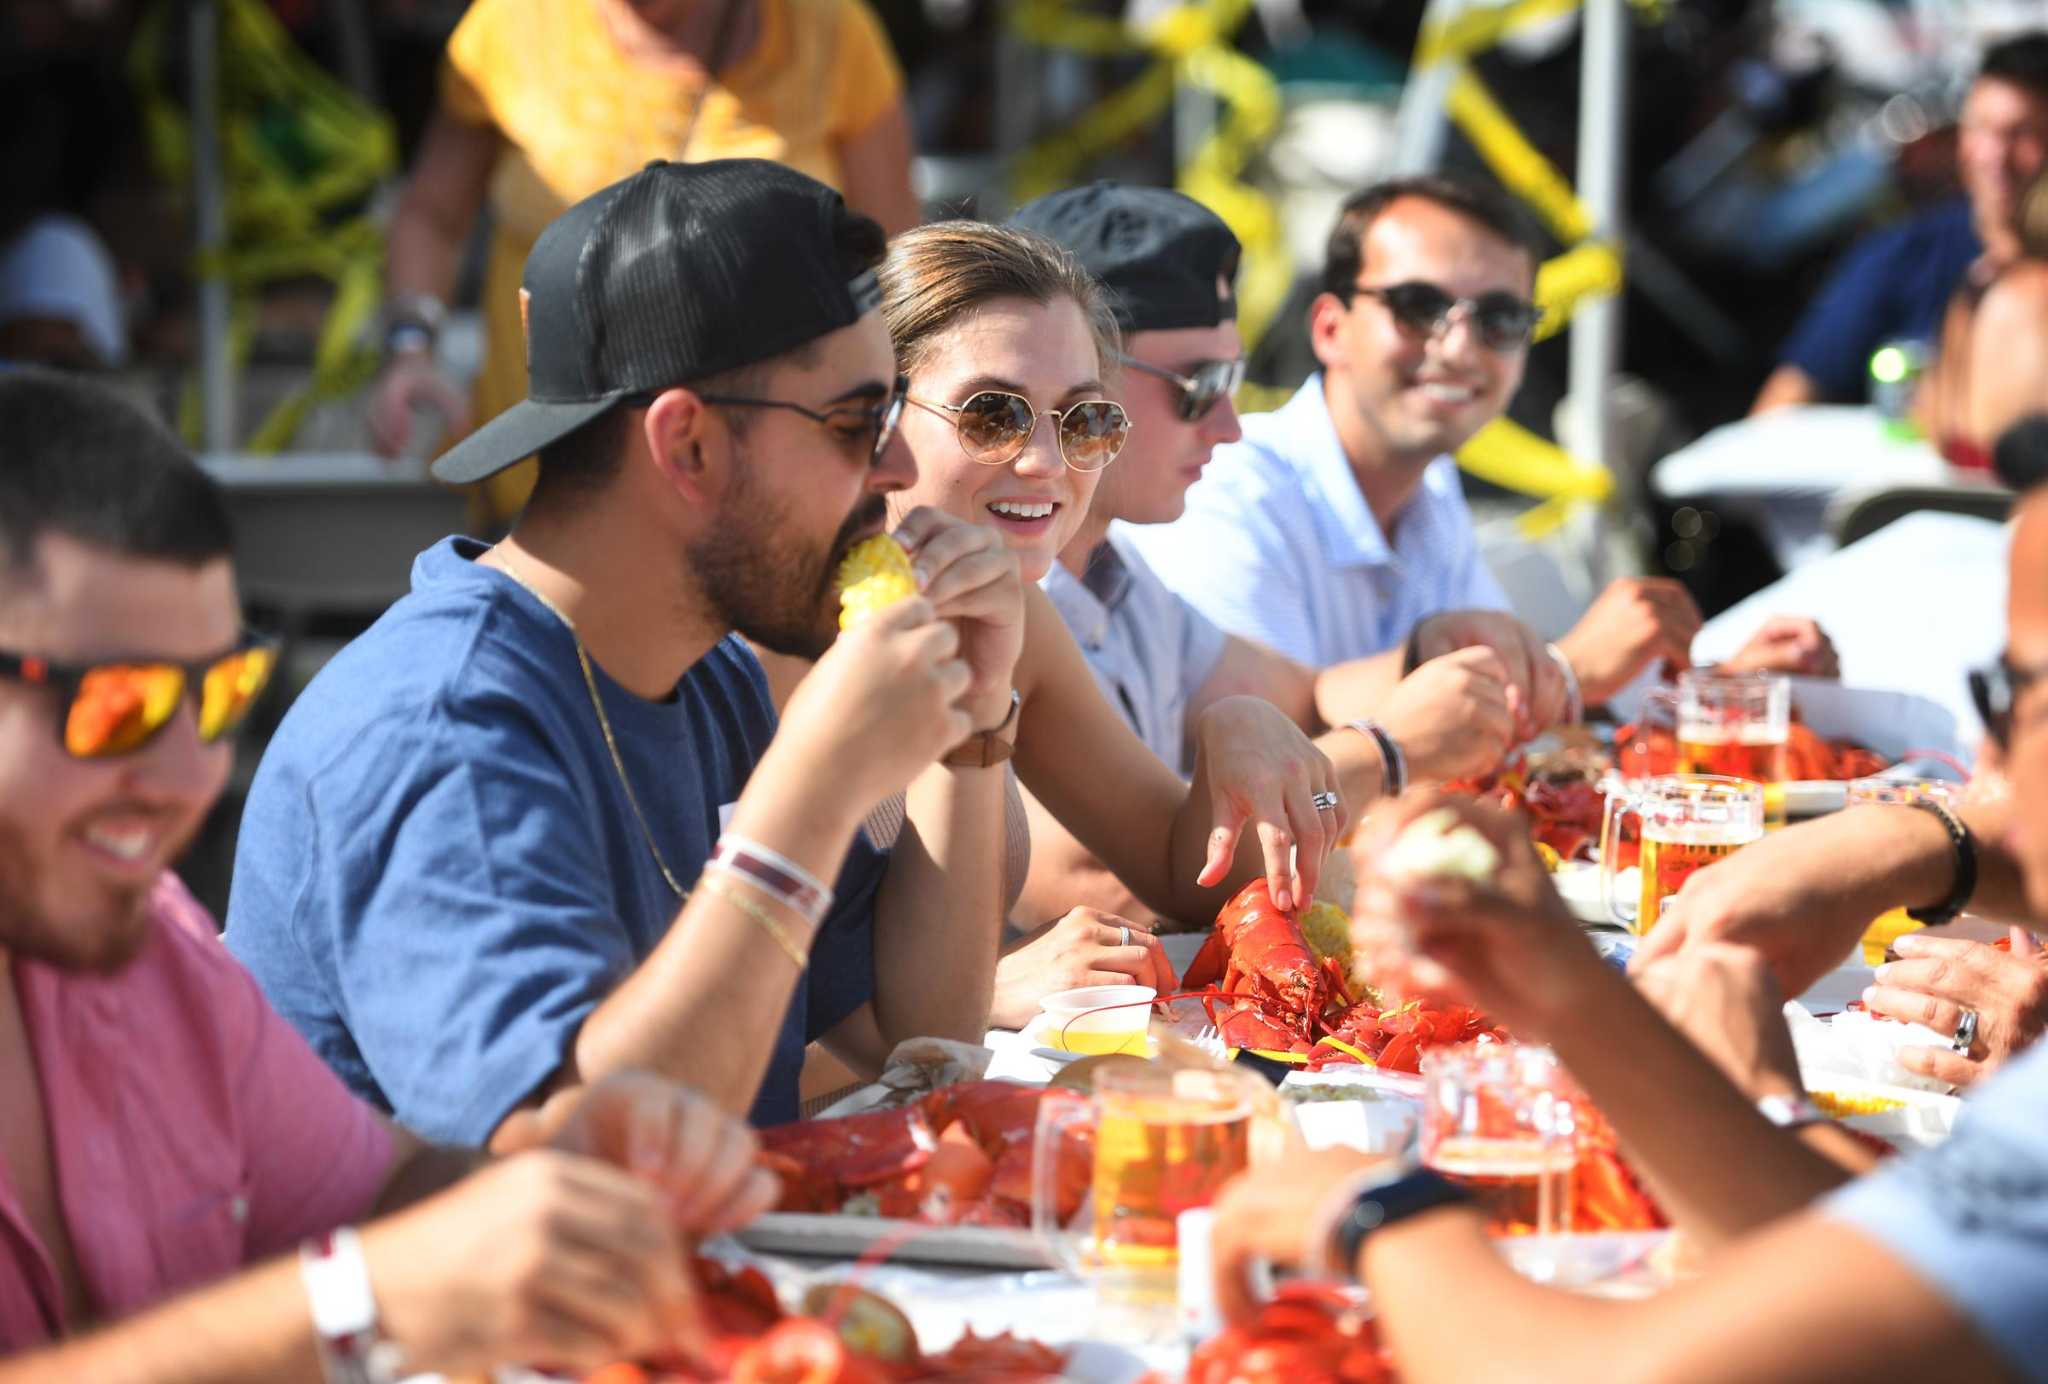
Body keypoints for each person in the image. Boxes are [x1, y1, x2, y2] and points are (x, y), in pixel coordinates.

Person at [0, 369, 776, 1379]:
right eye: (119, 705)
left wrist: (564, 1170)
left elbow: (381, 1188)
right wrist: (349, 1308)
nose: (193, 773)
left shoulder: (153, 951)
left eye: (221, 690)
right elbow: (367, 1276)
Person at [227, 160, 1024, 1140]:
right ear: (685, 445)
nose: (898, 467)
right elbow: (571, 1158)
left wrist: (971, 729)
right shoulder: (444, 727)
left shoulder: (706, 673)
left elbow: (919, 1036)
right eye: (858, 423)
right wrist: (812, 793)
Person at [748, 218, 1342, 1026]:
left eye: (1087, 421)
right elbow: (700, 1048)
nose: (1047, 464)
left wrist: (1238, 734)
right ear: (873, 414)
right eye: (994, 416)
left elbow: (1179, 869)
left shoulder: (1011, 615)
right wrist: (987, 993)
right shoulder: (765, 634)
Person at [1004, 183, 1600, 934]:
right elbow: (1108, 889)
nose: (1229, 426)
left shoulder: (1117, 575)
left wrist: (1424, 654)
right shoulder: (1005, 585)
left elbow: (1304, 694)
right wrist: (1388, 751)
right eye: (1199, 387)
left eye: (1232, 379)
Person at [1121, 176, 1828, 707]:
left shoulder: (1430, 492)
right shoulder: (1226, 484)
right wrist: (1568, 669)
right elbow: (1265, 744)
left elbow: (1512, 723)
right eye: (1419, 307)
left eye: (1499, 319)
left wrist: (1720, 690)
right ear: (1330, 328)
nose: (1460, 348)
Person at [368, 0, 922, 525]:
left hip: (767, 508)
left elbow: (896, 270)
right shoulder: (511, 25)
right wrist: (411, 347)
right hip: (544, 494)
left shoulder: (829, 32)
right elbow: (433, 216)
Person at [1753, 31, 2048, 415]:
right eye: (1982, 129)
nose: (1996, 156)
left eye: (2022, 134)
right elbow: (1782, 403)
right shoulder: (1904, 253)